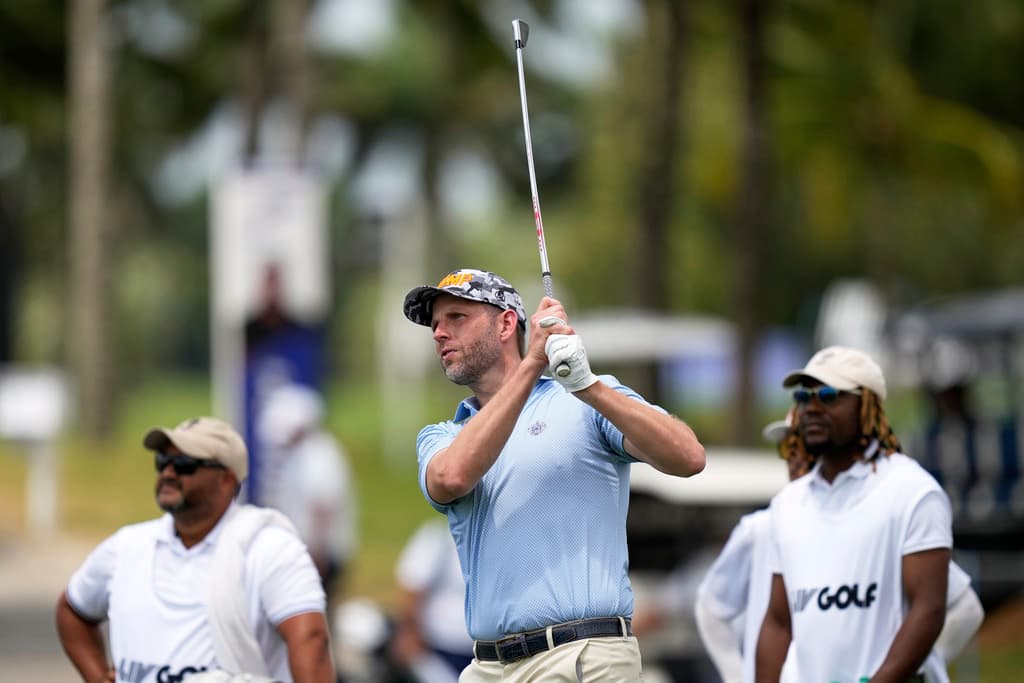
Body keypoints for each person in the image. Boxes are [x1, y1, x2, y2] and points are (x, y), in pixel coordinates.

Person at [402, 267, 706, 682]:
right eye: (435, 325)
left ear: (506, 323)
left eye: (456, 318)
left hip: (581, 656)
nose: (439, 333)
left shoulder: (583, 401)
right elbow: (452, 477)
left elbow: (688, 457)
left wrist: (591, 387)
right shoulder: (443, 436)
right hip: (487, 668)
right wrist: (532, 365)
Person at [696, 412, 983, 683]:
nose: (795, 457)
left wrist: (905, 666)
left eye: (803, 446)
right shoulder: (760, 528)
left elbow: (966, 608)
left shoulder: (875, 521)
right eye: (788, 447)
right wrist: (738, 676)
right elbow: (711, 607)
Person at [55, 416, 335, 683]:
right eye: (162, 461)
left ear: (226, 479)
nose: (168, 472)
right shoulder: (126, 547)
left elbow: (309, 638)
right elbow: (73, 609)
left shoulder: (268, 548)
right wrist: (97, 675)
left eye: (184, 464)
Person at [755, 346, 954, 683]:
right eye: (803, 397)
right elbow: (778, 620)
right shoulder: (787, 504)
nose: (811, 408)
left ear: (867, 406)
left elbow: (928, 608)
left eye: (829, 395)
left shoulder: (912, 490)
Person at [258, 382, 357, 607]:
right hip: (306, 553)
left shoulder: (320, 455)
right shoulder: (302, 454)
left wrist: (316, 560)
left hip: (318, 556)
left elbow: (322, 508)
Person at [391, 519, 475, 683]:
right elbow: (411, 588)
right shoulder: (438, 537)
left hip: (488, 651)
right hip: (439, 649)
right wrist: (410, 633)